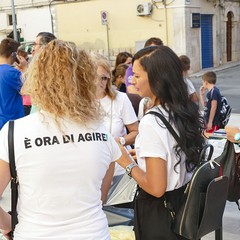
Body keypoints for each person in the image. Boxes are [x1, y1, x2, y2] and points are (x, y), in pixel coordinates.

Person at [0, 40, 123, 239]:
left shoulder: (15, 132)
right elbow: (100, 197)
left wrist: (9, 224)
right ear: (84, 80)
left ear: (36, 79)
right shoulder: (101, 131)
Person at [115, 45, 205, 239]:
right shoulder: (181, 110)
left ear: (157, 78)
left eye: (137, 76)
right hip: (183, 206)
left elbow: (156, 188)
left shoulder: (151, 121)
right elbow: (174, 154)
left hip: (160, 214)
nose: (132, 80)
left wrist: (126, 163)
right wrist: (142, 157)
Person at [93, 53, 139, 180]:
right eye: (95, 77)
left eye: (104, 78)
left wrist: (121, 141)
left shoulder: (120, 99)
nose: (100, 82)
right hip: (94, 172)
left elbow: (136, 132)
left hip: (121, 170)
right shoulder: (81, 103)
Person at [0, 38, 27, 130]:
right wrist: (25, 69)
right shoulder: (12, 73)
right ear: (13, 54)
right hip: (12, 123)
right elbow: (29, 89)